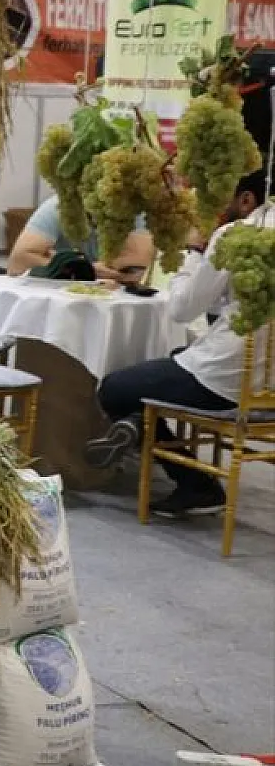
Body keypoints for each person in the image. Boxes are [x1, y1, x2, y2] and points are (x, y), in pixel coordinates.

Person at [88, 171, 269, 517]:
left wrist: (196, 249)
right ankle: (136, 423)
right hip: (268, 383)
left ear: (246, 200)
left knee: (114, 388)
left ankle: (195, 483)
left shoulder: (238, 235)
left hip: (224, 377)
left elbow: (183, 309)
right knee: (176, 357)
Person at [7, 194, 155, 281]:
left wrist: (62, 261)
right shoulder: (59, 207)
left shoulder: (135, 211)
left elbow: (135, 269)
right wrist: (85, 270)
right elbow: (17, 262)